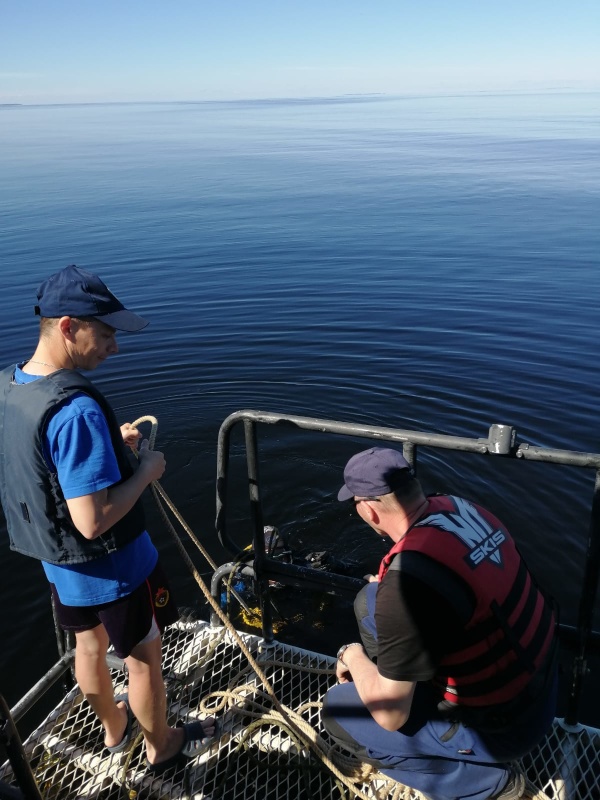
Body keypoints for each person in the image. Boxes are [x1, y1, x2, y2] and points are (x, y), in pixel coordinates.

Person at [0, 264, 215, 774]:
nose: (114, 348)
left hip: (58, 566)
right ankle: (162, 747)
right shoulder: (75, 411)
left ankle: (114, 730)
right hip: (112, 568)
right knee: (144, 659)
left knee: (89, 647)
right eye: (107, 334)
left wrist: (109, 451)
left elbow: (42, 467)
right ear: (69, 326)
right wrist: (145, 471)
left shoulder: (12, 385)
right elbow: (92, 521)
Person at [322, 447, 558, 800]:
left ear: (368, 509)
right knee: (369, 602)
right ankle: (411, 684)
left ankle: (488, 787)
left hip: (502, 731)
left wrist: (351, 654)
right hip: (543, 691)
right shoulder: (464, 509)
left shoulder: (409, 582)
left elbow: (389, 717)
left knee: (338, 710)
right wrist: (388, 594)